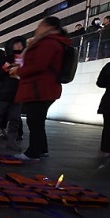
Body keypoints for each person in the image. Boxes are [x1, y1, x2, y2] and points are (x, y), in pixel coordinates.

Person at [9, 16, 70, 160]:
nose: (37, 29)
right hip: (43, 87)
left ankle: (33, 152)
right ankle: (42, 149)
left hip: (39, 88)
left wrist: (18, 71)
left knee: (34, 121)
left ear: (47, 27)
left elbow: (39, 65)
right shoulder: (53, 42)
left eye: (39, 26)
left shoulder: (48, 43)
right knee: (38, 120)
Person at [0, 37, 25, 151]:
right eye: (16, 43)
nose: (19, 45)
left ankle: (12, 142)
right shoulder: (3, 60)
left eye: (20, 43)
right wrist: (5, 69)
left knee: (15, 120)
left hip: (18, 95)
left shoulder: (24, 60)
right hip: (2, 95)